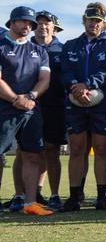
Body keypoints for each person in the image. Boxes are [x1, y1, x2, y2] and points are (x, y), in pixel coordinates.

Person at [61, 2, 106, 212]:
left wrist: (87, 85)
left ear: (103, 23)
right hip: (76, 102)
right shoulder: (70, 45)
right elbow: (65, 70)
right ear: (84, 21)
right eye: (90, 20)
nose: (94, 24)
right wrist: (75, 87)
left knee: (102, 148)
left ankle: (102, 196)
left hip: (102, 103)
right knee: (77, 149)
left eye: (98, 21)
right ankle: (74, 196)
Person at [0, 6, 53, 216]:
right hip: (4, 109)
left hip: (31, 110)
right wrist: (15, 98)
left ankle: (29, 203)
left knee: (32, 155)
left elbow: (45, 80)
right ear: (11, 23)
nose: (27, 26)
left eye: (30, 23)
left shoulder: (38, 51)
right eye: (22, 21)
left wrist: (31, 97)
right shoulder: (1, 46)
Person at [31, 11, 66, 211]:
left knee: (52, 150)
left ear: (54, 28)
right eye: (39, 24)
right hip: (29, 105)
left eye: (47, 24)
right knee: (27, 151)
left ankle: (54, 194)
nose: (42, 27)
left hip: (55, 106)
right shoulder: (26, 47)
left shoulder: (62, 49)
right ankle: (28, 193)